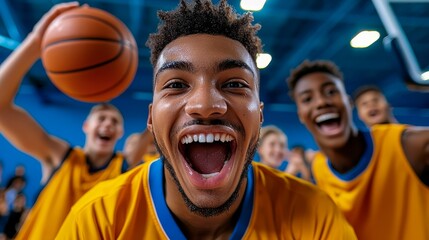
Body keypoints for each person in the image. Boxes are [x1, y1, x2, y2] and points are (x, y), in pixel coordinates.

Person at [56, 1, 356, 239]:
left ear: (260, 114)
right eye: (176, 84)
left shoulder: (315, 215)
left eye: (235, 84)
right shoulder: (98, 220)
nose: (205, 105)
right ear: (150, 118)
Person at [0, 2, 153, 239]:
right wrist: (34, 43)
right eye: (101, 118)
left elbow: (154, 130)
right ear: (86, 126)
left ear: (121, 132)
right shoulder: (58, 156)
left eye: (114, 121)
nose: (108, 124)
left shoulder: (125, 165)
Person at [287, 59, 429, 240]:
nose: (322, 102)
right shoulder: (318, 167)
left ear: (348, 102)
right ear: (300, 114)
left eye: (331, 91)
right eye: (307, 99)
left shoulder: (406, 145)